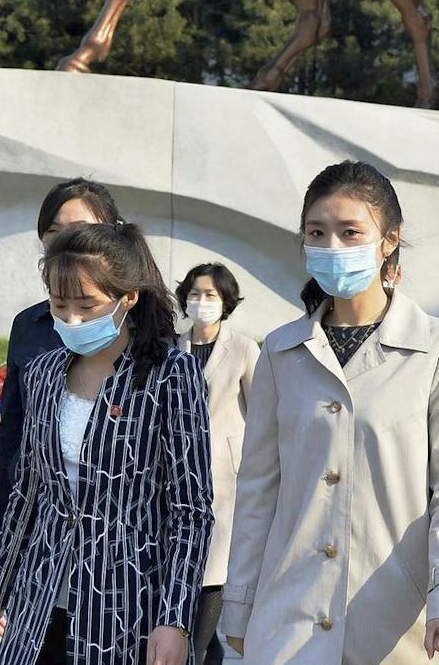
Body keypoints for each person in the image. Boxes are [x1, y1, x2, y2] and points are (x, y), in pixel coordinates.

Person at [222, 161, 439, 664]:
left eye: (350, 233)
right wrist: (240, 604)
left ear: (389, 240)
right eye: (317, 234)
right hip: (290, 620)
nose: (332, 247)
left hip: (402, 623)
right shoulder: (281, 350)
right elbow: (258, 488)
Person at [0, 223, 212, 664]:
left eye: (88, 306)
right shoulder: (43, 373)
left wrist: (176, 619)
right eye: (60, 306)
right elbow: (28, 490)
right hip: (40, 599)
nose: (72, 320)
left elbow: (191, 511)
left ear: (128, 298)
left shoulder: (169, 374)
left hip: (127, 605)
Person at [0, 178, 124, 582]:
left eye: (79, 231)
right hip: (38, 530)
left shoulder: (139, 330)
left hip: (119, 542)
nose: (65, 243)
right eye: (54, 232)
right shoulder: (30, 325)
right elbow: (13, 438)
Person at [175, 262, 261, 665]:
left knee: (214, 568)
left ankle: (198, 650)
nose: (201, 302)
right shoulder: (170, 346)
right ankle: (208, 654)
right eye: (195, 294)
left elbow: (264, 411)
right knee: (186, 568)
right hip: (175, 476)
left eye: (210, 295)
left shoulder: (243, 348)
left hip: (224, 478)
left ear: (226, 301)